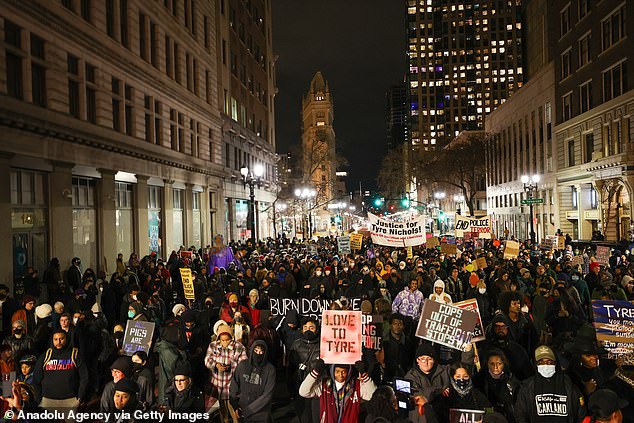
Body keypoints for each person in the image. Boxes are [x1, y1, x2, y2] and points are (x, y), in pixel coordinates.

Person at [515, 345, 585, 423]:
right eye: (541, 362)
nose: (545, 365)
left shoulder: (569, 385)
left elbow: (581, 414)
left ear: (556, 363)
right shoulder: (527, 387)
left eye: (549, 362)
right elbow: (520, 415)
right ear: (535, 365)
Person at [299, 359, 376, 423]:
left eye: (344, 372)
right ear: (332, 371)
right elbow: (303, 392)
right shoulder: (324, 385)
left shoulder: (356, 386)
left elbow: (373, 395)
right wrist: (315, 372)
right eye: (337, 371)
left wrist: (364, 374)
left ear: (348, 372)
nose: (340, 375)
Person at [31, 329, 88, 410]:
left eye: (61, 339)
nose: (59, 342)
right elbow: (36, 379)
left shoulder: (75, 354)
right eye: (56, 339)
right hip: (48, 401)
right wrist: (39, 400)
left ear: (66, 339)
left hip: (70, 400)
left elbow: (84, 377)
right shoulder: (46, 355)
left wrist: (79, 398)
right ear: (52, 340)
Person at [204, 323, 247, 423]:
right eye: (223, 340)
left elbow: (244, 364)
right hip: (218, 383)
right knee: (222, 408)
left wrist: (231, 366)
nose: (225, 342)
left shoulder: (238, 347)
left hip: (233, 383)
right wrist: (216, 365)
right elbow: (207, 360)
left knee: (233, 408)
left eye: (227, 340)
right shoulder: (213, 346)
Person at [229, 340, 276, 422]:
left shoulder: (270, 369)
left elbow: (267, 395)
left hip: (261, 412)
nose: (258, 354)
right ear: (251, 351)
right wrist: (234, 404)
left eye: (261, 352)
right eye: (256, 350)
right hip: (242, 409)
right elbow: (234, 384)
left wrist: (248, 410)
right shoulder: (243, 365)